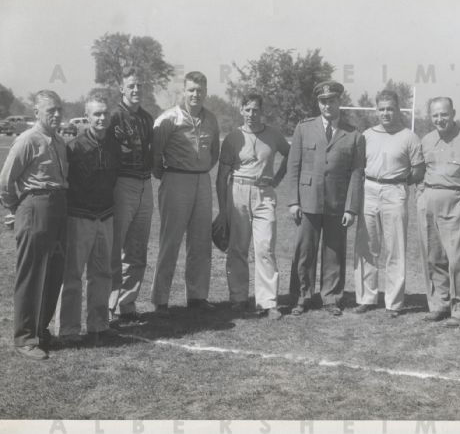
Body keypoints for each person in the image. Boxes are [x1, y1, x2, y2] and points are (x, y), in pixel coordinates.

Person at [0, 90, 68, 360]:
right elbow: (4, 182)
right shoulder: (28, 140)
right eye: (50, 110)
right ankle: (25, 337)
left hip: (59, 207)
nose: (57, 114)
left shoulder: (59, 141)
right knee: (31, 273)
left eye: (59, 109)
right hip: (35, 206)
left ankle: (41, 328)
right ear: (36, 112)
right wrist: (17, 208)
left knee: (54, 272)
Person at [287, 80, 365, 316]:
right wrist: (293, 201)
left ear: (340, 101)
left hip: (337, 202)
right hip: (307, 199)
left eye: (332, 100)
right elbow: (294, 166)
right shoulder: (304, 128)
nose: (327, 105)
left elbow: (356, 173)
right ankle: (301, 296)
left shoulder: (353, 135)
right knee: (304, 251)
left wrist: (351, 208)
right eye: (323, 101)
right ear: (318, 103)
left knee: (334, 251)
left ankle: (331, 297)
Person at [215, 93, 290, 319]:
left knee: (265, 247)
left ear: (262, 111)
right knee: (238, 247)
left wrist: (277, 179)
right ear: (241, 110)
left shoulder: (274, 135)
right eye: (247, 110)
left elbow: (291, 155)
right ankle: (238, 298)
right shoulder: (233, 137)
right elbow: (221, 176)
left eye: (255, 110)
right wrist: (223, 209)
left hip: (264, 194)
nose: (251, 114)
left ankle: (268, 302)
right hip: (237, 191)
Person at [151, 71, 220, 314]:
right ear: (183, 91)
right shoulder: (168, 118)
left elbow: (215, 154)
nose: (195, 94)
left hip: (202, 180)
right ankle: (161, 300)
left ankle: (197, 297)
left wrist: (199, 171)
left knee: (201, 241)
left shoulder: (211, 119)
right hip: (176, 179)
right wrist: (172, 175)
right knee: (171, 241)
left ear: (206, 92)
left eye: (200, 90)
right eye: (191, 90)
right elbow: (155, 156)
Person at [353, 90, 424, 318]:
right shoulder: (367, 135)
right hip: (370, 189)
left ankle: (393, 302)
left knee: (395, 248)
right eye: (382, 109)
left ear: (398, 110)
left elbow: (418, 170)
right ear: (376, 110)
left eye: (390, 108)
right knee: (366, 246)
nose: (386, 113)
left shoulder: (409, 137)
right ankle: (366, 297)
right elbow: (358, 166)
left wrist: (398, 182)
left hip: (395, 190)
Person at [57, 94, 121, 344]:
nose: (102, 118)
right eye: (96, 114)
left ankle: (98, 325)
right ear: (87, 116)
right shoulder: (73, 147)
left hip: (105, 217)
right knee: (72, 275)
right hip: (79, 217)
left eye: (105, 113)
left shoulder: (115, 145)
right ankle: (69, 330)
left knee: (102, 273)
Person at [417, 97, 460, 327]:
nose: (440, 119)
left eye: (444, 114)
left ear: (453, 113)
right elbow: (419, 172)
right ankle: (440, 304)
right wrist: (421, 195)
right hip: (429, 204)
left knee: (457, 260)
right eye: (435, 115)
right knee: (434, 257)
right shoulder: (426, 140)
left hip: (458, 204)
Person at [108, 66, 155, 324]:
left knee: (137, 249)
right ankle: (107, 305)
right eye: (131, 85)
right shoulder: (114, 117)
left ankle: (128, 304)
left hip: (145, 184)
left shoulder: (147, 119)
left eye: (140, 85)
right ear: (122, 88)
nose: (136, 90)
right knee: (115, 248)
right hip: (122, 184)